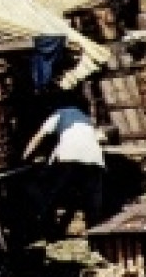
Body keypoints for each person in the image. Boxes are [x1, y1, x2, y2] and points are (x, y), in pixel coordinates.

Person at [22, 87, 107, 240]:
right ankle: (96, 241)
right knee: (92, 205)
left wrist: (24, 157)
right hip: (95, 160)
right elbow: (98, 138)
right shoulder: (85, 118)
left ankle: (47, 233)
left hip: (70, 158)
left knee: (49, 196)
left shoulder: (59, 114)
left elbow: (38, 137)